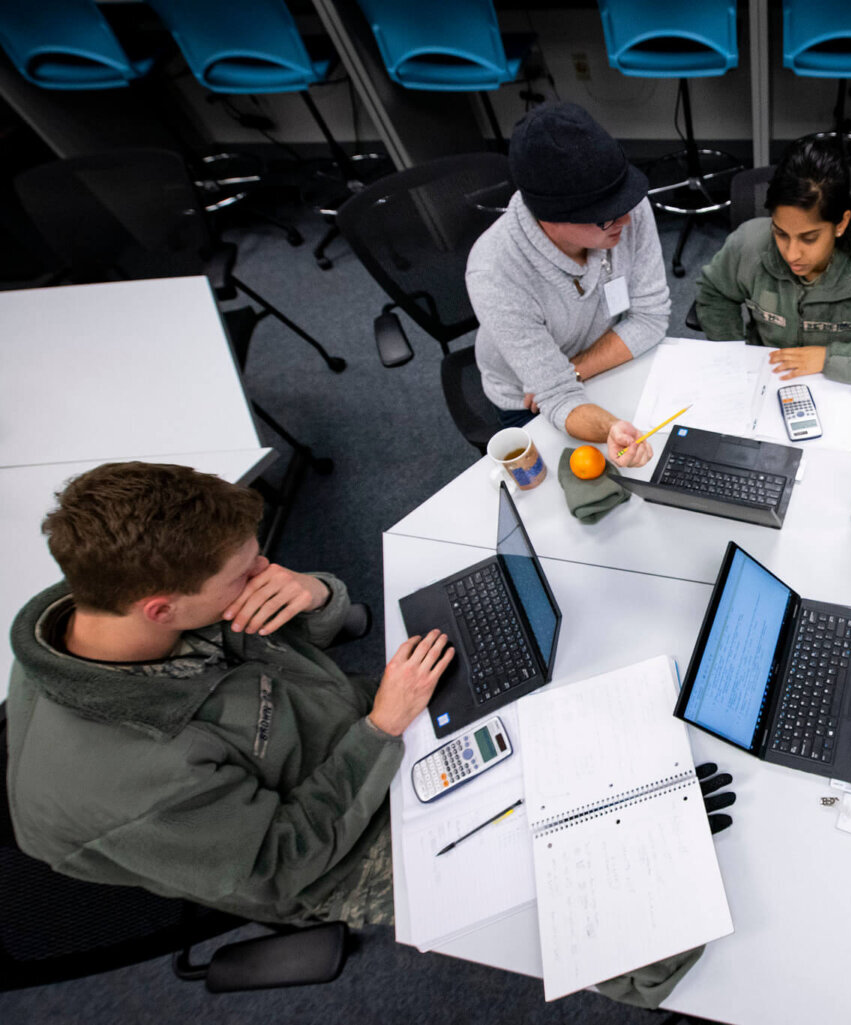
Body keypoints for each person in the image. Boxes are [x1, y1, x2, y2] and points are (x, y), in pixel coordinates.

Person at [7, 462, 454, 928]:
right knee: (529, 863)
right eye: (244, 574)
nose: (266, 571)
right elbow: (284, 862)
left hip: (363, 722)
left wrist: (315, 593)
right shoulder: (129, 783)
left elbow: (285, 639)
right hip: (337, 855)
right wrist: (380, 731)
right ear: (161, 610)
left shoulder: (122, 589)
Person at [468, 101, 669, 468]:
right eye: (606, 217)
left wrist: (576, 369)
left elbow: (651, 318)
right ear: (550, 219)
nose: (627, 217)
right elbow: (555, 396)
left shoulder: (625, 209)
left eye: (626, 198)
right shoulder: (494, 271)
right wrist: (610, 427)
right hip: (527, 396)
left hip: (603, 361)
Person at [693, 137, 851, 384]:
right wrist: (736, 357)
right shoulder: (747, 244)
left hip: (844, 382)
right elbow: (715, 293)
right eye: (780, 233)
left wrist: (828, 358)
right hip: (765, 376)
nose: (791, 254)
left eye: (809, 238)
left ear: (841, 223)